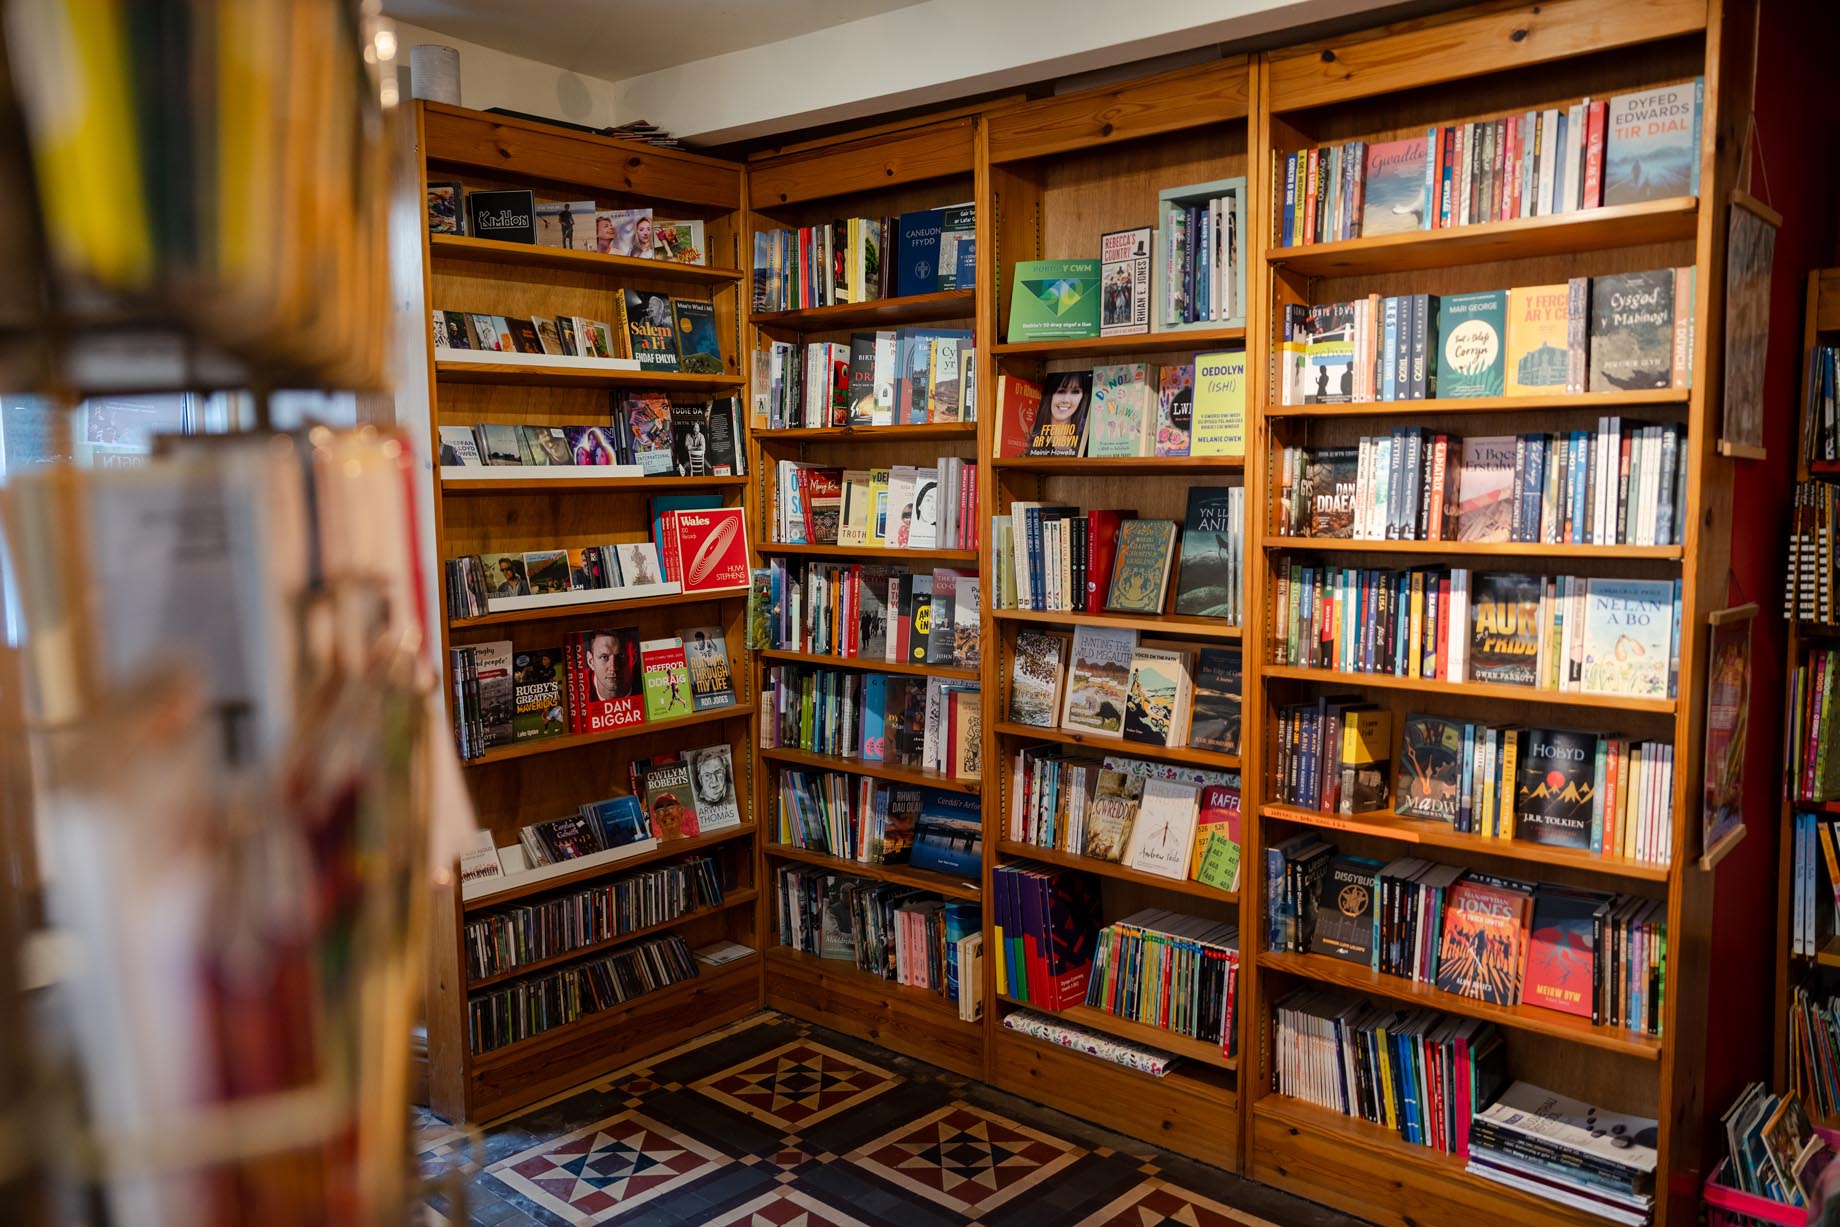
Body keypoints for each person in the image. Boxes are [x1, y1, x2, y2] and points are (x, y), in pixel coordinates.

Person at [585, 630, 635, 701]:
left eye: (621, 656)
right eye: (604, 657)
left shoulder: (646, 681)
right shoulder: (577, 688)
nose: (613, 667)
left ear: (633, 657)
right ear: (591, 661)